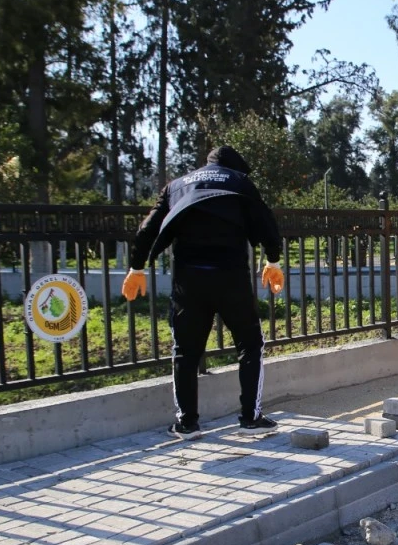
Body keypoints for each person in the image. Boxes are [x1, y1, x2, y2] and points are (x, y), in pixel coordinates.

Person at [122, 145, 286, 439]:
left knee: (185, 350)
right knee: (250, 344)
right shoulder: (239, 183)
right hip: (230, 277)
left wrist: (136, 267)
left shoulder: (176, 186)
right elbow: (266, 224)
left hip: (189, 280)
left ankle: (186, 423)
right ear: (235, 168)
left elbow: (148, 229)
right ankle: (250, 418)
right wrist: (272, 259)